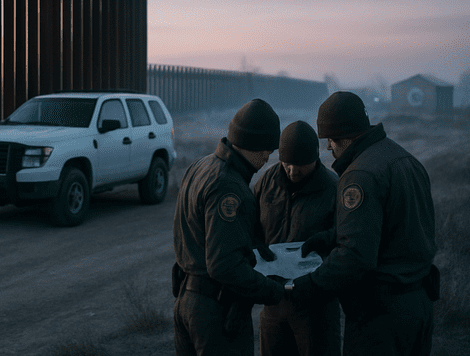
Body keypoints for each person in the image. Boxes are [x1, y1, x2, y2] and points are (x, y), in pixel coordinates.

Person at [290, 91, 437, 356]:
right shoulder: (405, 159)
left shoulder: (359, 174)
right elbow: (396, 227)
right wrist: (332, 237)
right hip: (420, 305)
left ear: (344, 136)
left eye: (331, 140)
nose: (328, 149)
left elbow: (355, 257)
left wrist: (308, 285)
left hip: (381, 317)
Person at [172, 98, 285, 356]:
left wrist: (252, 244)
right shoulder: (229, 186)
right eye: (267, 148)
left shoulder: (199, 167)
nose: (269, 156)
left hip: (185, 303)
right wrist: (274, 291)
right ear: (253, 144)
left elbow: (196, 233)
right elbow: (224, 265)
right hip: (216, 313)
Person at [252, 120, 341, 356]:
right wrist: (255, 244)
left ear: (315, 158)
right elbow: (249, 225)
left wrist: (330, 237)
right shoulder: (266, 182)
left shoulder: (334, 189)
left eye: (300, 165)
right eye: (287, 163)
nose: (292, 171)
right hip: (273, 303)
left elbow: (349, 240)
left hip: (316, 306)